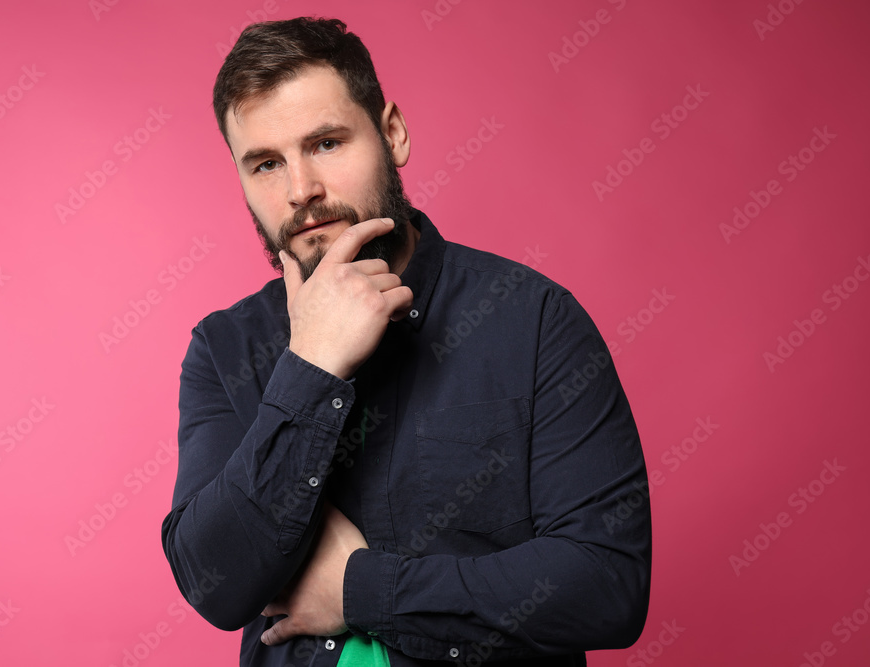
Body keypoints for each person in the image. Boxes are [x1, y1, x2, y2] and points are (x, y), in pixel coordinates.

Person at [161, 16, 651, 667]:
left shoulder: (534, 321)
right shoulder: (225, 348)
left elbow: (607, 584)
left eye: (327, 143)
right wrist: (310, 365)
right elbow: (213, 583)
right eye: (266, 163)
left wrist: (362, 589)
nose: (301, 188)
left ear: (392, 132)